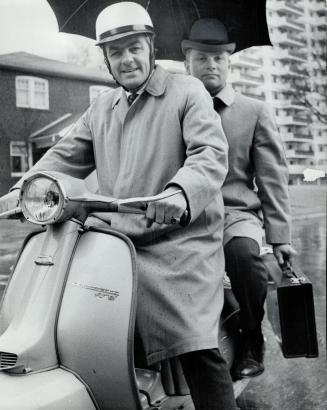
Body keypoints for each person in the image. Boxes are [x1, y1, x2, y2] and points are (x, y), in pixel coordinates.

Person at [0, 3, 237, 409]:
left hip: (181, 242)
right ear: (106, 59)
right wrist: (17, 193)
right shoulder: (101, 109)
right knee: (79, 317)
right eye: (115, 52)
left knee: (191, 338)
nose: (126, 59)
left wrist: (180, 192)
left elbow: (209, 154)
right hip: (119, 243)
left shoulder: (187, 91)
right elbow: (58, 158)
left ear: (150, 47)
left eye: (133, 48)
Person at [182, 19, 297, 380]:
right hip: (185, 213)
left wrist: (280, 237)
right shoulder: (173, 109)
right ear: (187, 63)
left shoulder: (254, 111)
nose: (211, 65)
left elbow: (272, 177)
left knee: (245, 256)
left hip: (235, 213)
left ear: (229, 63)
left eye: (218, 58)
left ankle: (251, 337)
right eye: (202, 58)